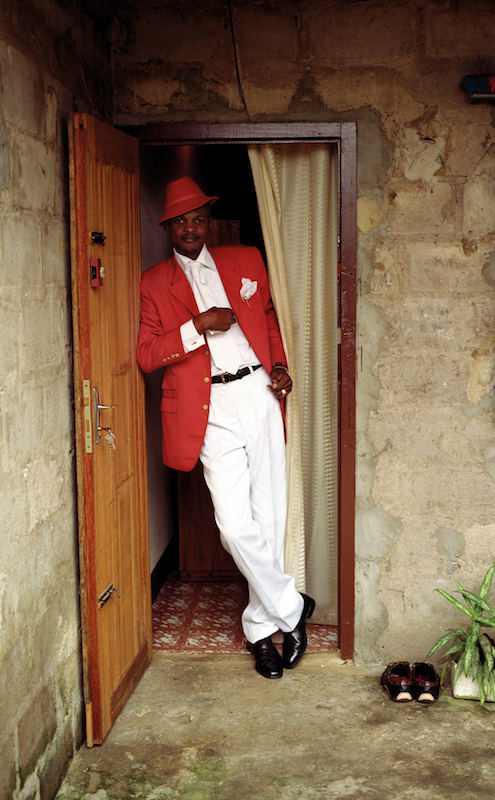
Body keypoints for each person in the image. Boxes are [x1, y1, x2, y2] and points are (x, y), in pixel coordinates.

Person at [137, 177, 314, 679]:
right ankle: (293, 608)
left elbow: (271, 319)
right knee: (235, 525)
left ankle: (261, 630)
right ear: (168, 228)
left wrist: (278, 365)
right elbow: (148, 354)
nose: (190, 228)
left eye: (197, 219)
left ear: (208, 223)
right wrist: (198, 327)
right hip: (207, 407)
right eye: (180, 221)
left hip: (258, 394)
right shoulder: (153, 283)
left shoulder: (247, 260)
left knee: (269, 516)